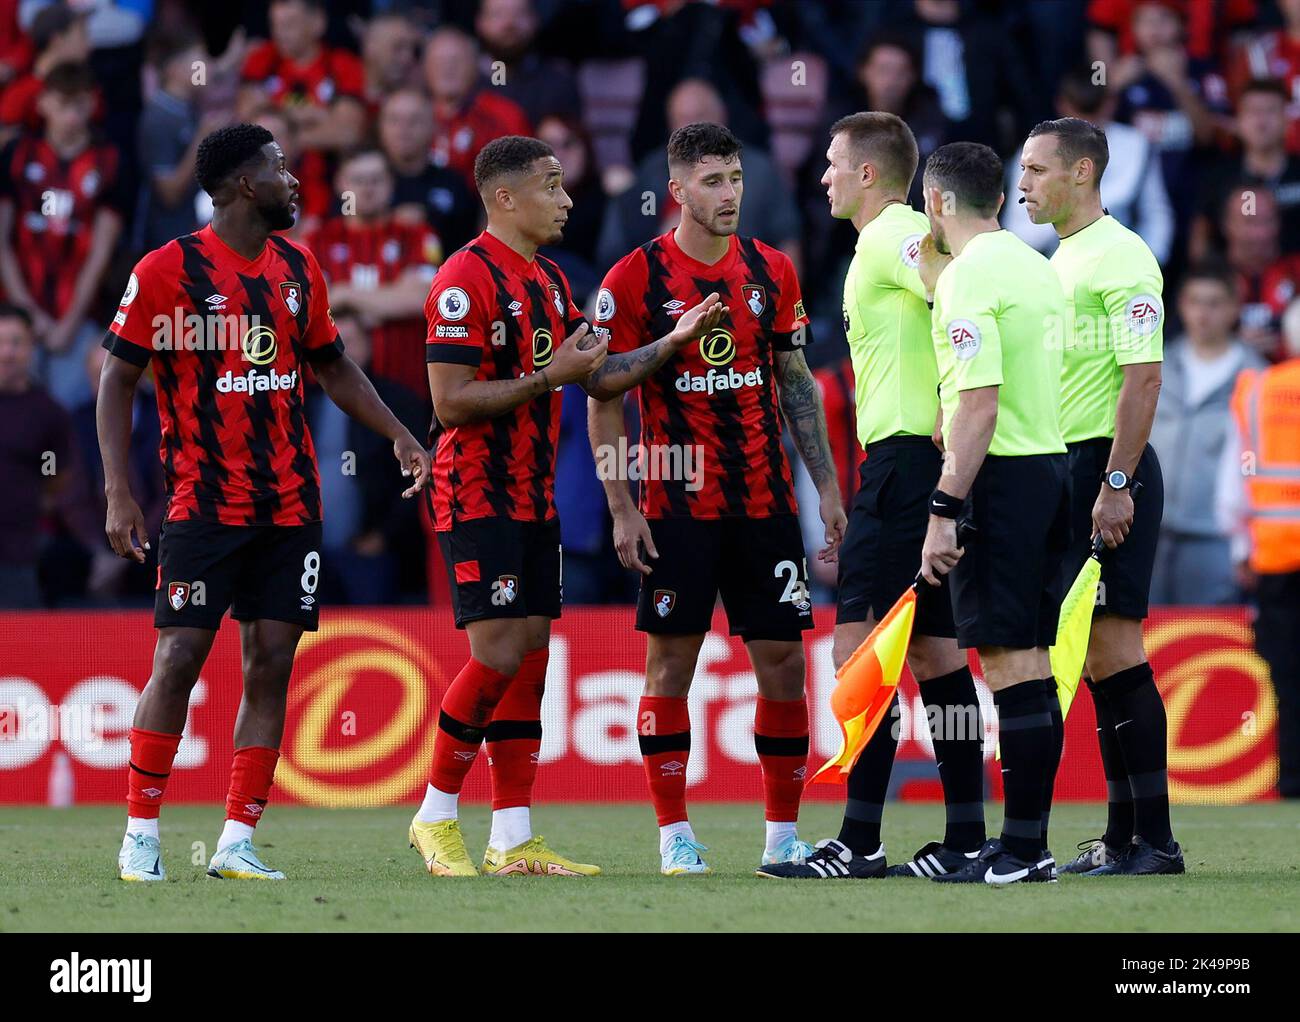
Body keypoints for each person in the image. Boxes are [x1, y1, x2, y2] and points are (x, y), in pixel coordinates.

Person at [98, 123, 431, 883]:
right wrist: (118, 490)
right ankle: (140, 832)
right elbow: (117, 379)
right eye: (280, 168)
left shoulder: (297, 266)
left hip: (289, 504)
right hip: (203, 501)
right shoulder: (166, 270)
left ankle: (237, 840)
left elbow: (333, 365)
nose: (295, 180)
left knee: (272, 662)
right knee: (179, 655)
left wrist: (400, 436)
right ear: (246, 184)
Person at [587, 122, 845, 876]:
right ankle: (674, 836)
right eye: (711, 181)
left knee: (785, 667)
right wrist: (621, 504)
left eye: (734, 177)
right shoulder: (633, 279)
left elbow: (796, 384)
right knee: (670, 668)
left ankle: (781, 838)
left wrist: (825, 487)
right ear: (676, 192)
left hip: (764, 506)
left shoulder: (771, 271)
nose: (729, 192)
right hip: (674, 508)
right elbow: (600, 392)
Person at [759, 113, 986, 882]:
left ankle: (859, 841)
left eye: (832, 163)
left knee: (859, 655)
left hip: (903, 468)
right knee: (936, 655)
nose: (822, 175)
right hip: (921, 465)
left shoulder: (894, 232)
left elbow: (950, 281)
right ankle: (963, 838)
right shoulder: (885, 238)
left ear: (866, 173)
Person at [414, 134, 609, 878]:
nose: (565, 199)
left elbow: (591, 376)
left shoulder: (551, 281)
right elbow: (450, 402)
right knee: (495, 652)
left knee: (530, 655)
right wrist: (546, 374)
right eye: (551, 186)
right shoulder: (463, 280)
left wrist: (672, 342)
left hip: (533, 494)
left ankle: (514, 837)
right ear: (505, 198)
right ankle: (434, 817)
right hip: (478, 493)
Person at [1019, 116, 1183, 875]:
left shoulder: (1123, 257)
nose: (1024, 184)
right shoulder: (1060, 258)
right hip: (1068, 471)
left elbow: (1143, 376)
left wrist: (1117, 482)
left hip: (1107, 471)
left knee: (1117, 651)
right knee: (1092, 663)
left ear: (1082, 173)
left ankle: (1157, 841)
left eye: (1037, 170)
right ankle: (1122, 839)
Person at [918, 141, 1071, 885]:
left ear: (939, 202)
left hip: (1002, 480)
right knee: (1034, 665)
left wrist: (944, 506)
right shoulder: (1034, 268)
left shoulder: (967, 280)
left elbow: (979, 405)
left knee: (1010, 665)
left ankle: (1020, 851)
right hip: (1053, 468)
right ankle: (1027, 844)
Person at [0, 61, 125, 410]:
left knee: (69, 411)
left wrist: (68, 323)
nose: (71, 113)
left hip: (80, 318)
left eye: (80, 103)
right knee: (14, 410)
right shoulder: (16, 155)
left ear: (92, 104)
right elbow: (2, 242)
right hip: (15, 313)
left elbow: (101, 251)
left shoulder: (110, 161)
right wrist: (27, 313)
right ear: (42, 103)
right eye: (62, 102)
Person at [1218, 298, 1300, 799]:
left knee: (1288, 675)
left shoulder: (1259, 392)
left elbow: (1237, 477)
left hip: (1273, 556)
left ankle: (1292, 777)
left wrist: (1239, 545)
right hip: (1274, 556)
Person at [1150, 263, 1266, 604]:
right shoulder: (1156, 365)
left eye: (1215, 303)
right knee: (1144, 636)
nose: (1204, 313)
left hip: (1216, 537)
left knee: (1208, 638)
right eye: (1195, 301)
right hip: (1151, 531)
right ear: (1181, 306)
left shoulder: (1255, 376)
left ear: (1234, 307)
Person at [303, 147, 441, 403]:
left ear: (390, 184)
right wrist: (387, 300)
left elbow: (422, 298)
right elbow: (308, 308)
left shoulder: (415, 234)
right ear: (341, 184)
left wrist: (343, 295)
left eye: (376, 180)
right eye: (358, 180)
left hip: (406, 387)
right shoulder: (316, 240)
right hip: (329, 392)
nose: (367, 189)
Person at [1003, 64, 1173, 264]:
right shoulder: (1035, 149)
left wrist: (1146, 262)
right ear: (1062, 104)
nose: (1086, 121)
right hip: (1054, 268)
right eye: (1080, 109)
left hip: (1121, 263)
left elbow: (1156, 215)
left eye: (1094, 110)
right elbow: (1017, 231)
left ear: (1110, 103)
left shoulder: (1135, 145)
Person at [0, 302, 72, 608]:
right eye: (0, 343)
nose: (7, 353)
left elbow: (54, 475)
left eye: (16, 342)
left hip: (19, 552)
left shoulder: (47, 414)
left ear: (31, 347)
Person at [1192, 79, 1300, 261]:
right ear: (1238, 121)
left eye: (1270, 111)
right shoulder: (1219, 176)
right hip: (1234, 279)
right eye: (1252, 112)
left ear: (1287, 120)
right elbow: (1201, 235)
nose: (1261, 121)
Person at [422, 26, 531, 192]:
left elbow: (524, 175)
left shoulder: (504, 114)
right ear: (425, 68)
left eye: (456, 61)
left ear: (475, 66)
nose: (447, 69)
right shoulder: (410, 114)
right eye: (439, 62)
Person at [378, 87, 479, 255]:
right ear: (381, 127)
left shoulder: (455, 184)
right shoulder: (362, 179)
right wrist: (388, 222)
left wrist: (429, 221)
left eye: (414, 121)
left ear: (433, 127)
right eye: (394, 120)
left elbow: (469, 246)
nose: (403, 129)